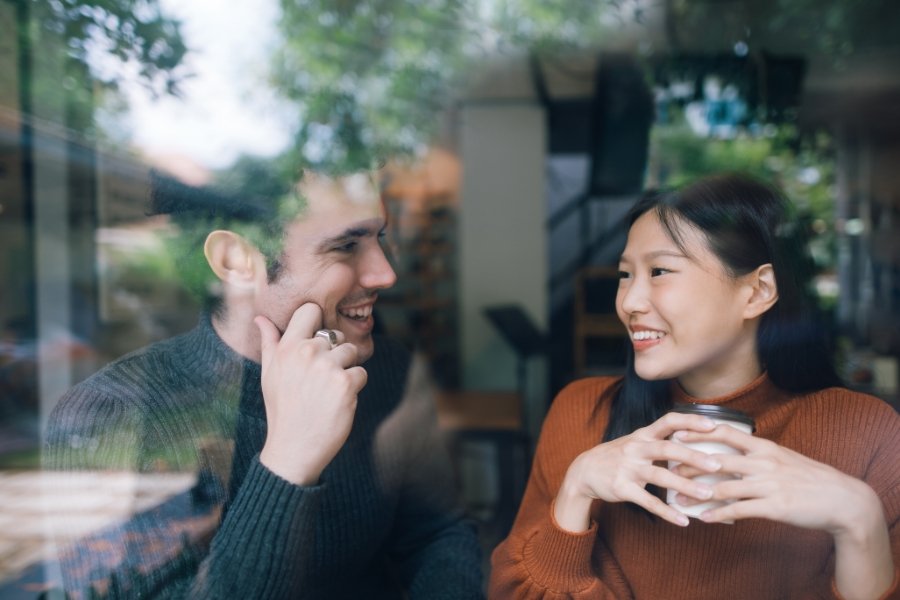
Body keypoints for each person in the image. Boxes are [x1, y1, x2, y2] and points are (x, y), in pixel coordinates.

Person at [44, 169, 483, 598]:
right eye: (346, 245)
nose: (385, 274)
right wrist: (288, 460)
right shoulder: (108, 415)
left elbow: (437, 532)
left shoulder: (388, 371)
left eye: (379, 238)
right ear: (236, 261)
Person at [490, 173, 900, 599]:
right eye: (625, 275)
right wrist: (575, 492)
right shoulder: (582, 412)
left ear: (757, 291)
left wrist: (859, 518)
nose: (629, 302)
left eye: (660, 270)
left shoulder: (864, 432)